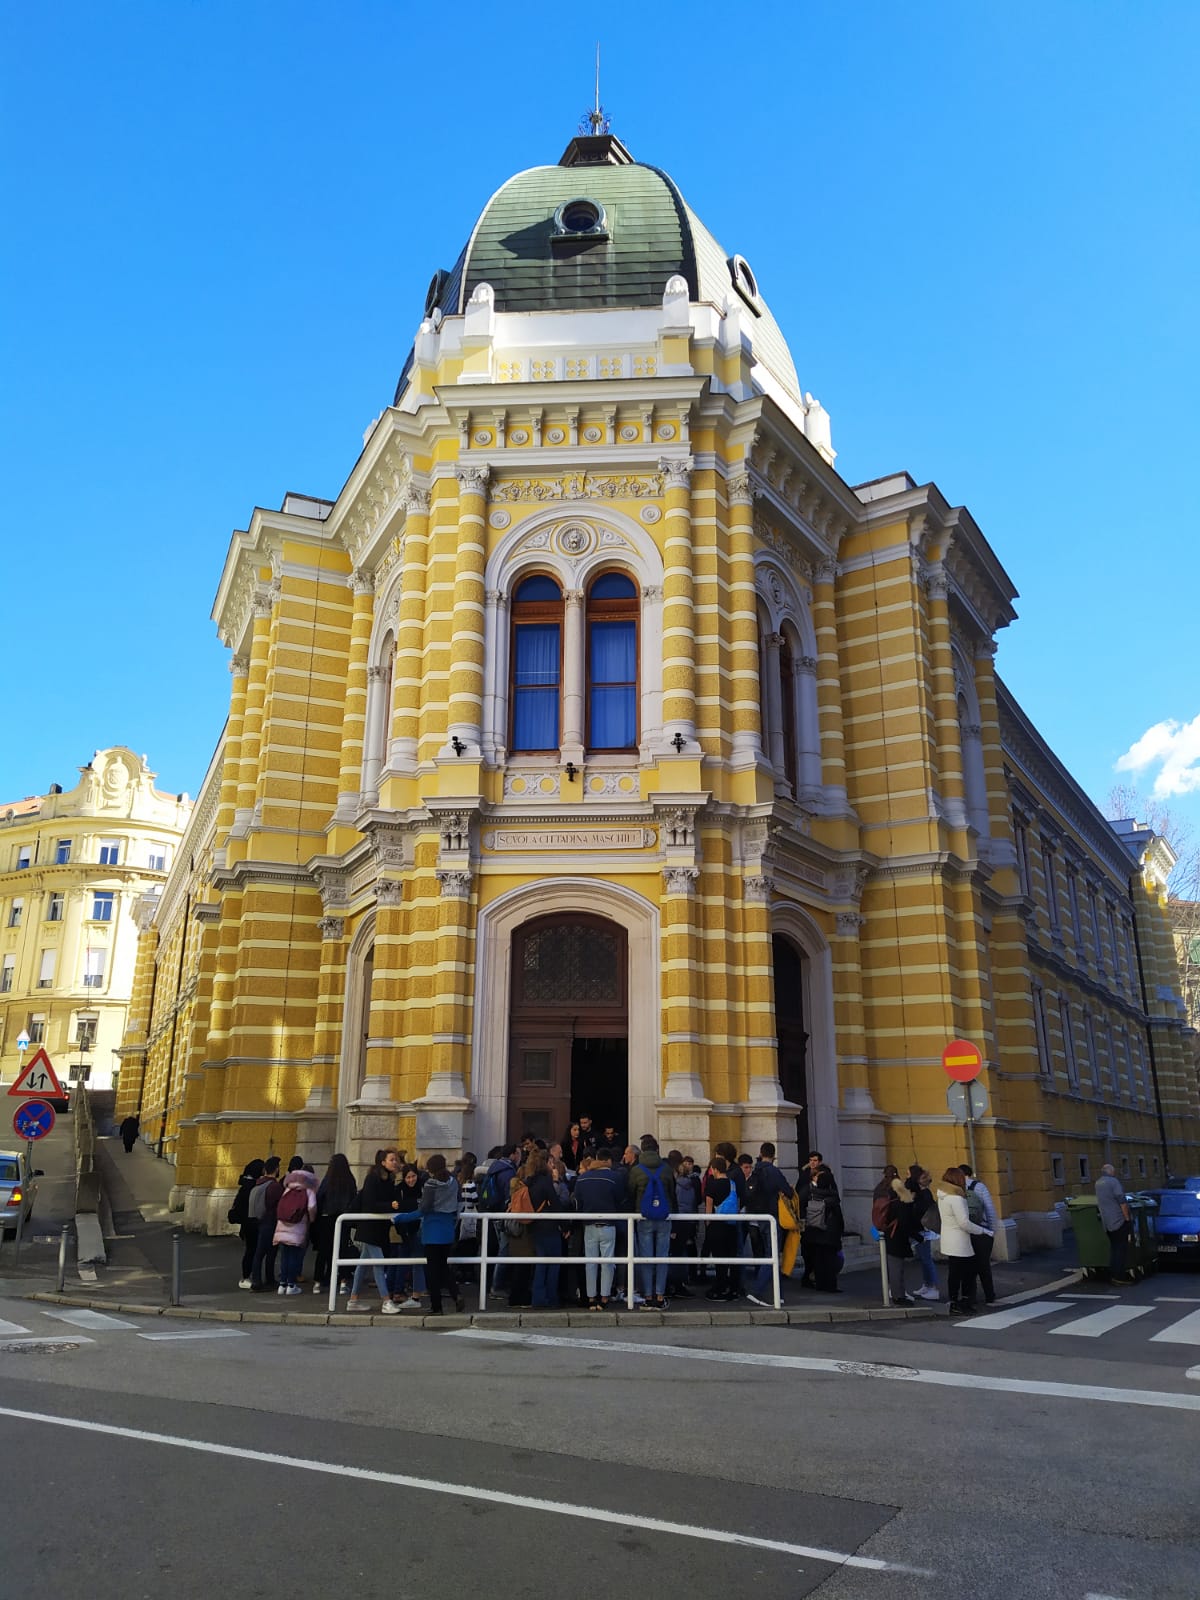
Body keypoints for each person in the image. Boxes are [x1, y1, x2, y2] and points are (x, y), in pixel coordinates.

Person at [347, 1149, 403, 1313]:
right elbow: (370, 1204)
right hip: (370, 1228)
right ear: (382, 1162)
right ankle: (386, 1301)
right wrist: (389, 1206)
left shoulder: (389, 1179)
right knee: (379, 1263)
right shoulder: (372, 1179)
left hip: (377, 1228)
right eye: (392, 1159)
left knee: (362, 1265)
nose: (395, 1162)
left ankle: (353, 1299)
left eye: (396, 1159)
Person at [626, 1133, 677, 1309]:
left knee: (645, 1257)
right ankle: (660, 1295)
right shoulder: (667, 1169)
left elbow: (630, 1193)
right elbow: (672, 1194)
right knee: (662, 1257)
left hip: (644, 1216)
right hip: (664, 1216)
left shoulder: (637, 1170)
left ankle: (648, 1296)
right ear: (656, 1149)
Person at [745, 1142, 795, 1305]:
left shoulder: (756, 1170)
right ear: (773, 1156)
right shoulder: (773, 1171)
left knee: (770, 1254)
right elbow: (787, 1191)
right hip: (773, 1217)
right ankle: (757, 1291)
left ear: (760, 1153)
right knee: (772, 1254)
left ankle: (777, 1294)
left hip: (758, 1216)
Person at [936, 1167, 988, 1315]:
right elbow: (964, 1223)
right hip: (960, 1241)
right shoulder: (957, 1198)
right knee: (968, 1273)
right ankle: (964, 1301)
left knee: (954, 1272)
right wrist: (983, 1230)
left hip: (948, 1238)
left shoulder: (942, 1196)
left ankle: (953, 1301)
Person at [419, 1154, 464, 1315]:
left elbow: (424, 1207)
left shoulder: (431, 1184)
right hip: (447, 1230)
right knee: (444, 1267)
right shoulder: (453, 1182)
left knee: (432, 1270)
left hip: (432, 1231)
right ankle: (456, 1294)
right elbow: (460, 1203)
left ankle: (436, 1306)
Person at [574, 1152, 620, 1307]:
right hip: (608, 1224)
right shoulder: (614, 1178)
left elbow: (578, 1202)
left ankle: (591, 1297)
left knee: (590, 1262)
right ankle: (605, 1297)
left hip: (589, 1225)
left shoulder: (582, 1178)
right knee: (607, 1263)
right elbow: (620, 1200)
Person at [313, 1153, 358, 1296]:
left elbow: (319, 1197)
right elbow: (353, 1199)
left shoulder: (328, 1179)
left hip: (327, 1218)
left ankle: (318, 1282)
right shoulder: (349, 1180)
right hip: (343, 1219)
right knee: (342, 1250)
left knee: (323, 1251)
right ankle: (343, 1282)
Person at [524, 1148, 562, 1308]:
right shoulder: (546, 1182)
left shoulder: (529, 1180)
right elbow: (556, 1205)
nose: (553, 1165)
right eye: (551, 1162)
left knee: (539, 1263)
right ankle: (549, 1298)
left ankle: (538, 1297)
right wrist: (556, 1183)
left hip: (534, 1227)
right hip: (549, 1227)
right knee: (553, 1263)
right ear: (546, 1163)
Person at [274, 1163, 318, 1294]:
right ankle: (291, 1285)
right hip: (298, 1226)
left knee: (284, 1255)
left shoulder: (288, 1189)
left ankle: (282, 1284)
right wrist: (311, 1219)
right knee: (294, 1255)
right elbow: (311, 1208)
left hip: (282, 1225)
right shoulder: (308, 1191)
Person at [959, 1162, 999, 1304]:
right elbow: (990, 1210)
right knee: (984, 1266)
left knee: (968, 1266)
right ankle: (990, 1295)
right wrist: (991, 1231)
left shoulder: (956, 1189)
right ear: (969, 1174)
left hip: (965, 1231)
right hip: (982, 1231)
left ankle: (970, 1296)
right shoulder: (980, 1187)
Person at [703, 1156, 741, 1301]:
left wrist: (707, 1225)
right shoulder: (732, 1184)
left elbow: (708, 1208)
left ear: (715, 1169)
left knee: (720, 1259)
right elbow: (736, 1204)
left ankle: (719, 1288)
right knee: (732, 1257)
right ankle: (733, 1289)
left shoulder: (712, 1186)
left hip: (717, 1225)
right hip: (731, 1224)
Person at [800, 1165, 844, 1292]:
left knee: (818, 1260)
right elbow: (838, 1218)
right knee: (830, 1261)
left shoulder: (811, 1193)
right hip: (829, 1234)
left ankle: (819, 1284)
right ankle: (830, 1286)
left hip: (813, 1231)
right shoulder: (832, 1197)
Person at [882, 1175, 922, 1306]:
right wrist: (918, 1237)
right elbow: (905, 1225)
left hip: (892, 1238)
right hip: (897, 1239)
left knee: (896, 1268)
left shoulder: (893, 1201)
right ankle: (898, 1296)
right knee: (896, 1269)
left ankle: (899, 1294)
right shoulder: (903, 1205)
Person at [391, 1164, 426, 1307]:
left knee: (411, 1260)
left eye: (413, 1176)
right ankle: (400, 1291)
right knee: (404, 1260)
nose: (411, 1180)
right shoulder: (399, 1190)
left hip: (419, 1229)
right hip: (406, 1230)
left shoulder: (423, 1187)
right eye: (408, 1177)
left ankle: (404, 1291)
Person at [249, 1156, 284, 1291]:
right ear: (276, 1169)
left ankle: (260, 1280)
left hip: (258, 1221)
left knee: (261, 1252)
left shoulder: (259, 1184)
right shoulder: (274, 1186)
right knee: (268, 1252)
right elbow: (279, 1205)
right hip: (270, 1222)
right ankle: (261, 1281)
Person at [907, 1165, 941, 1301]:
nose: (906, 1176)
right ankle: (927, 1284)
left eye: (908, 1174)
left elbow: (920, 1210)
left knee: (926, 1259)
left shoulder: (923, 1193)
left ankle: (933, 1287)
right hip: (922, 1229)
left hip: (923, 1230)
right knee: (924, 1258)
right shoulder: (922, 1191)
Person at [229, 1158, 265, 1289]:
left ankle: (249, 1276)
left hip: (247, 1224)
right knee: (252, 1251)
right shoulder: (251, 1188)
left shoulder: (245, 1186)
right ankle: (246, 1277)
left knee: (252, 1251)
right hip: (251, 1223)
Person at [1095, 1163, 1133, 1283]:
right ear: (1110, 1171)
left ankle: (1113, 1274)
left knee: (1114, 1247)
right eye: (1114, 1171)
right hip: (1117, 1220)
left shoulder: (1098, 1183)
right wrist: (1127, 1219)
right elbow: (1122, 1201)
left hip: (1106, 1222)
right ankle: (1119, 1276)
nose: (1114, 1173)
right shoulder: (1114, 1182)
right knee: (1120, 1249)